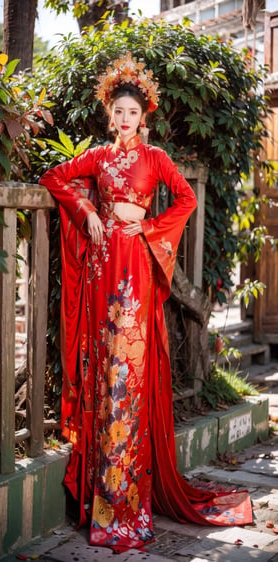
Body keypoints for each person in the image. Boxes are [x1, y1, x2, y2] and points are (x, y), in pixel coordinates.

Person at [39, 52, 253, 553]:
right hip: (100, 271)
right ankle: (101, 501)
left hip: (134, 269)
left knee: (127, 378)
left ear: (144, 116)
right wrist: (88, 207)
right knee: (102, 375)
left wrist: (150, 228)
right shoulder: (97, 156)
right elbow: (55, 178)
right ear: (109, 115)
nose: (125, 119)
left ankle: (126, 501)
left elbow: (186, 199)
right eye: (118, 112)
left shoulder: (156, 160)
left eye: (133, 112)